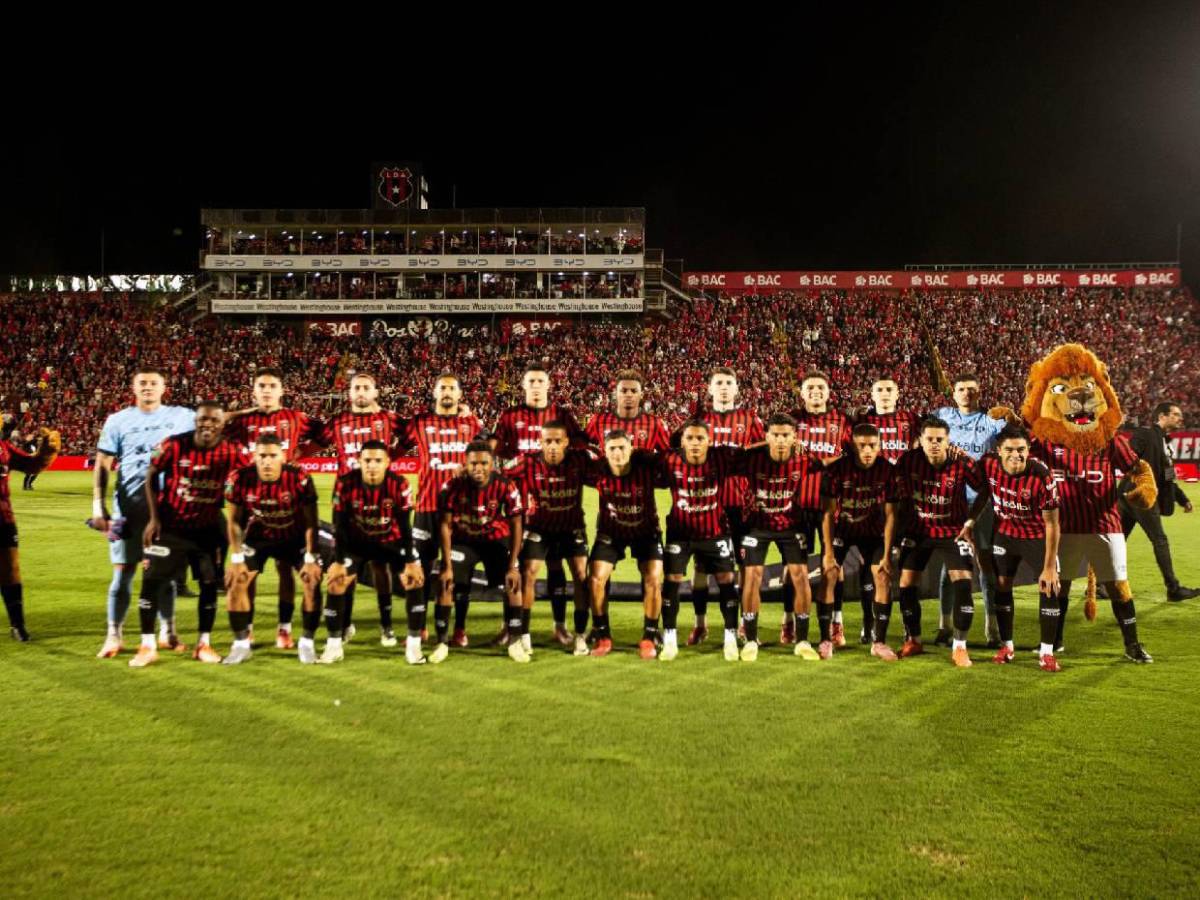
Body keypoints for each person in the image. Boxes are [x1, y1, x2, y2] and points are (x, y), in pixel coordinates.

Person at [94, 367, 195, 658]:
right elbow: (102, 463)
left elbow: (216, 422)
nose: (148, 387)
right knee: (122, 574)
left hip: (166, 513)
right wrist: (97, 505)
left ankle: (168, 632)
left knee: (163, 574)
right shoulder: (118, 420)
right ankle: (114, 635)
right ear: (133, 387)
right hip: (125, 511)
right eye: (143, 383)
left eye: (153, 383)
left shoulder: (181, 416)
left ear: (164, 388)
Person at [1119, 402, 1198, 602]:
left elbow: (1168, 476)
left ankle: (1102, 585)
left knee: (1117, 541)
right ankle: (1173, 588)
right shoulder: (1145, 434)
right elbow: (1128, 458)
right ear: (1162, 416)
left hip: (1131, 497)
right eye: (1175, 414)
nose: (1180, 418)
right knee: (1160, 540)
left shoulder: (1166, 442)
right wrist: (1142, 482)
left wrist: (1182, 499)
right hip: (1141, 495)